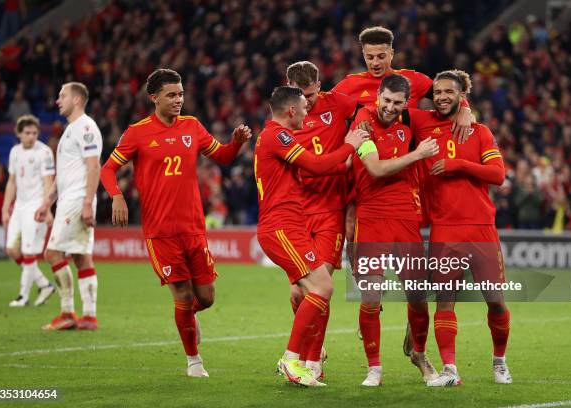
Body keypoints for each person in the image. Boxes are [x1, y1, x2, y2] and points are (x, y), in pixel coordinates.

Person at [100, 68, 252, 378]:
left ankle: (186, 321)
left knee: (205, 298)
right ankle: (194, 361)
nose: (178, 100)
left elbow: (221, 157)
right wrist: (116, 196)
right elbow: (107, 170)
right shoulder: (137, 132)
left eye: (181, 94)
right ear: (154, 97)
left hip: (193, 227)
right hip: (160, 232)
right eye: (171, 95)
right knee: (182, 295)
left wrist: (235, 143)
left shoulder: (192, 126)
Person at [332, 26, 473, 356]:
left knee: (414, 255)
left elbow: (446, 91)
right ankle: (371, 297)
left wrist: (465, 107)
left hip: (407, 173)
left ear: (392, 54)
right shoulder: (350, 86)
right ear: (361, 55)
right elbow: (325, 110)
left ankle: (415, 318)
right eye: (369, 57)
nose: (376, 62)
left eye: (382, 56)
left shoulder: (412, 80)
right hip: (367, 174)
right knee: (352, 229)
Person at [255, 86, 367, 386]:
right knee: (322, 285)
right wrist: (350, 144)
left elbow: (314, 171)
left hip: (291, 223)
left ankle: (304, 358)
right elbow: (315, 164)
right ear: (291, 110)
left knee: (312, 289)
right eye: (304, 107)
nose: (308, 112)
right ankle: (293, 359)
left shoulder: (277, 137)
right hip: (281, 226)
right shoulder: (276, 136)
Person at [407, 69, 512, 386]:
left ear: (461, 95)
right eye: (437, 92)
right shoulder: (422, 123)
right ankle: (450, 369)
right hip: (444, 228)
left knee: (495, 301)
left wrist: (458, 165)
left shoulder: (478, 131)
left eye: (448, 92)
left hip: (481, 227)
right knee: (445, 299)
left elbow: (498, 175)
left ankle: (499, 361)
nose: (441, 97)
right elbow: (388, 109)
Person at [351, 74, 440, 386]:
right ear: (378, 95)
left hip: (404, 215)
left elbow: (446, 108)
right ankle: (374, 368)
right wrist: (417, 154)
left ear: (406, 103)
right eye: (385, 100)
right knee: (372, 295)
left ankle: (419, 353)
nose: (389, 107)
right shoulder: (362, 124)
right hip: (371, 215)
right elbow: (374, 169)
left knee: (418, 295)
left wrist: (466, 109)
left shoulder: (410, 121)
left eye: (397, 103)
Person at [284, 60, 358, 379]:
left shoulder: (337, 104)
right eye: (302, 96)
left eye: (312, 94)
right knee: (298, 294)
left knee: (320, 284)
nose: (308, 102)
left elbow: (371, 110)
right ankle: (315, 347)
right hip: (298, 213)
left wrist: (356, 145)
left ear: (319, 86)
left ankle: (311, 363)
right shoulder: (282, 120)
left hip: (330, 211)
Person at [35, 82, 102, 331]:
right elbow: (64, 175)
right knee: (81, 256)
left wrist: (87, 203)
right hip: (70, 198)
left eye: (62, 95)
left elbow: (94, 166)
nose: (57, 100)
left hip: (77, 200)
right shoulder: (70, 130)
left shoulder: (85, 127)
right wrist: (47, 202)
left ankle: (66, 312)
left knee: (52, 254)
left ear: (76, 100)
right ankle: (89, 316)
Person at [2, 114, 56, 307]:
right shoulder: (15, 152)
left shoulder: (44, 152)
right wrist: (5, 209)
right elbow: (11, 182)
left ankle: (23, 297)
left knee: (28, 251)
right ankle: (44, 284)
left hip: (36, 207)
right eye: (27, 133)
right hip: (18, 207)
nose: (32, 136)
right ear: (18, 133)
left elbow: (48, 182)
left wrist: (47, 208)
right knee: (12, 250)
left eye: (35, 133)